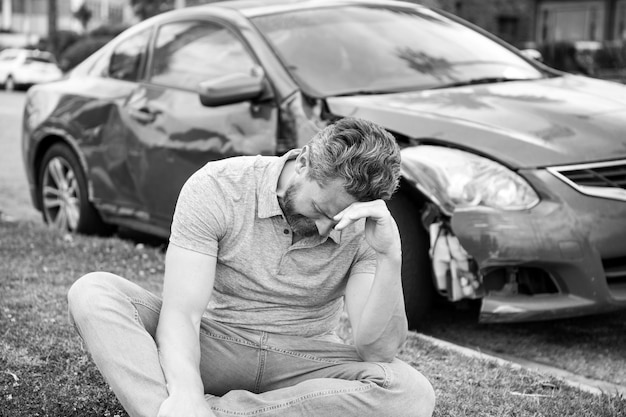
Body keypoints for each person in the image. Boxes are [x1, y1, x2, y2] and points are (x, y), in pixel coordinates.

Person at [68, 117, 436, 417]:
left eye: (341, 219)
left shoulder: (366, 225)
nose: (328, 228)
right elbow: (183, 315)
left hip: (302, 360)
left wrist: (390, 256)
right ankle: (178, 409)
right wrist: (186, 390)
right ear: (304, 163)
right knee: (94, 292)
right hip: (218, 345)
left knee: (411, 393)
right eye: (323, 211)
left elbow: (375, 350)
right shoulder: (217, 187)